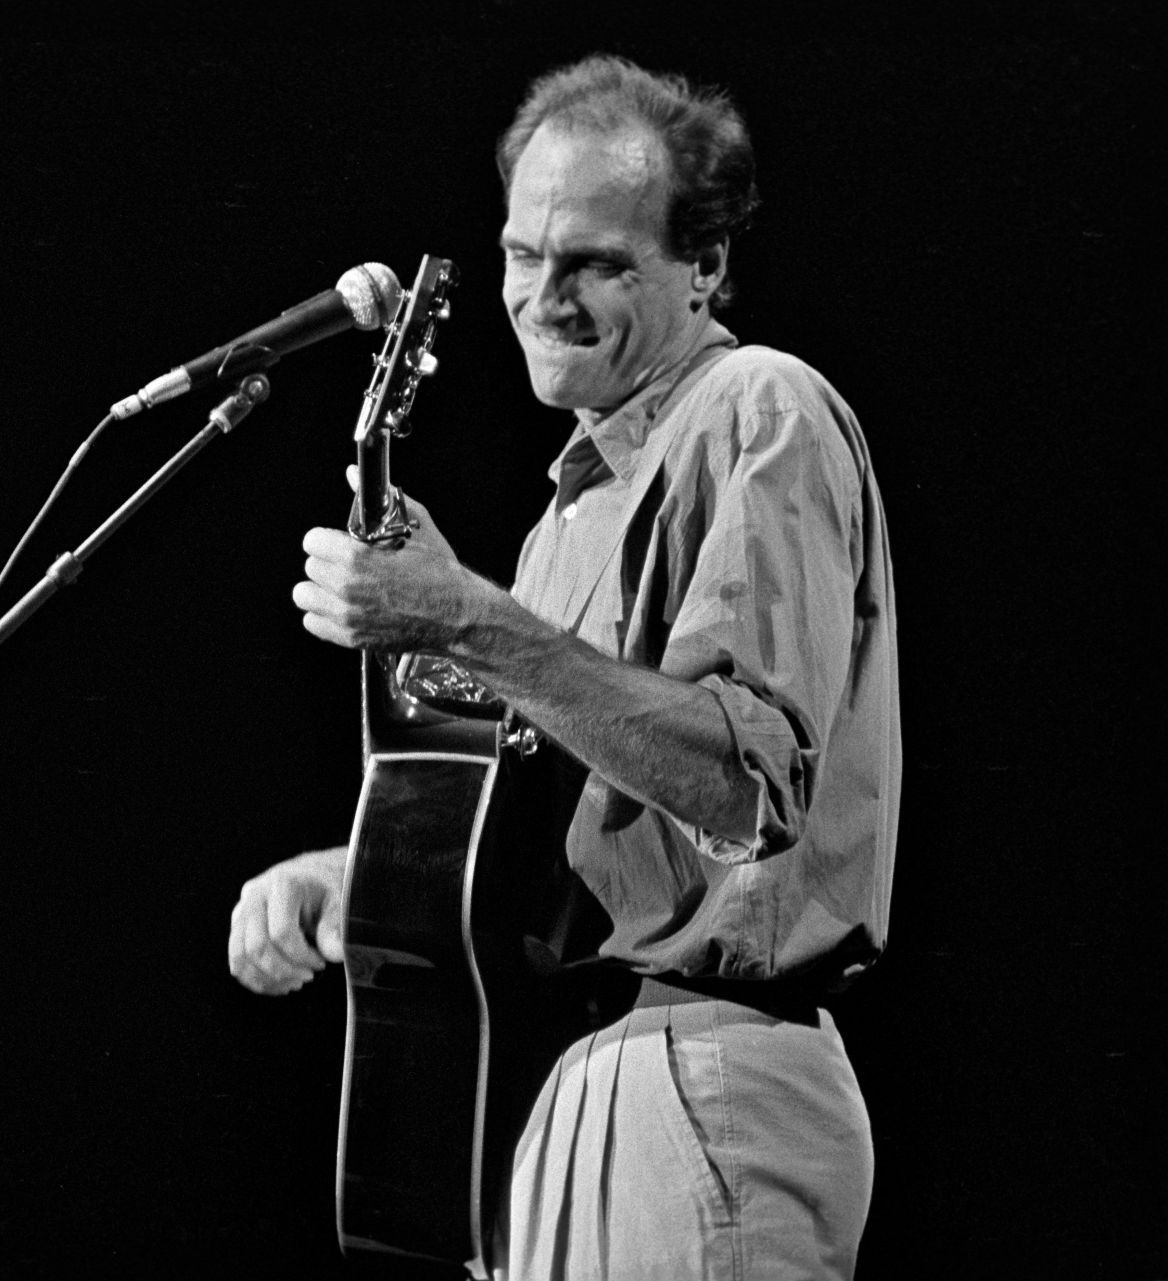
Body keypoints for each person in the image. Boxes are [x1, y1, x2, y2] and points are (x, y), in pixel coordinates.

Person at [226, 54, 899, 1280]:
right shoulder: (571, 513)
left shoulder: (758, 405)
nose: (543, 297)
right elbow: (558, 835)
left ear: (704, 265)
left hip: (700, 1076)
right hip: (566, 1086)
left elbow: (745, 788)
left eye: (595, 261)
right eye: (521, 256)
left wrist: (468, 621)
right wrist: (364, 874)